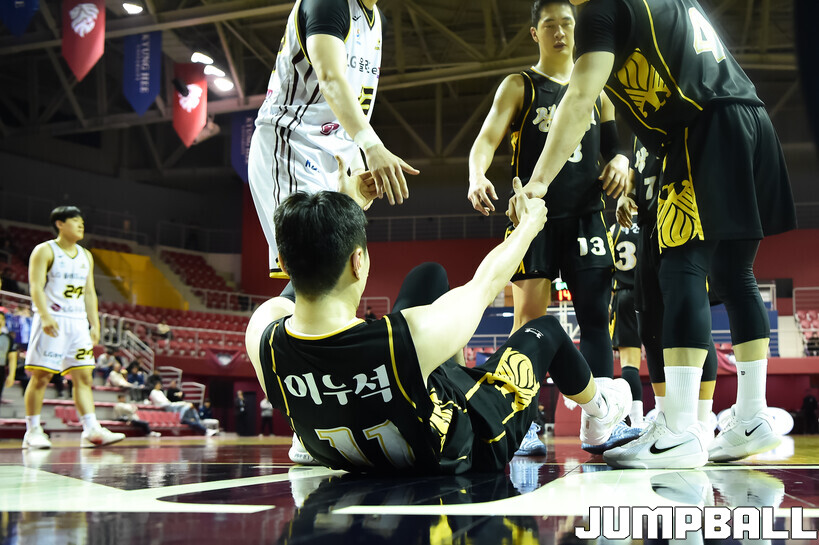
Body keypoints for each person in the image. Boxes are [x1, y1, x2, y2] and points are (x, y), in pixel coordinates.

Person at [510, 0, 797, 468]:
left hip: (700, 128)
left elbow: (579, 101)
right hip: (750, 117)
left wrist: (538, 182)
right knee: (733, 273)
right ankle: (751, 416)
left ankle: (678, 429)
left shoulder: (601, 10)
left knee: (681, 268)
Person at [244, 189, 633, 473]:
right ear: (358, 261)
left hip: (358, 437)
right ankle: (600, 412)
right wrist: (529, 227)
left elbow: (295, 281)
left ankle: (306, 442)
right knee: (544, 328)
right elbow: (486, 282)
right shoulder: (412, 337)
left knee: (427, 276)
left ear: (284, 264)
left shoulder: (262, 337)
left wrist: (337, 213)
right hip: (467, 445)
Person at [467, 0, 635, 455]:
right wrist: (477, 174)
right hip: (534, 218)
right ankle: (522, 423)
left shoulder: (598, 89)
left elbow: (617, 149)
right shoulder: (519, 85)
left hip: (587, 216)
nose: (560, 32)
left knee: (596, 320)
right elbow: (485, 139)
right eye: (549, 25)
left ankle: (599, 423)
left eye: (567, 23)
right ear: (534, 33)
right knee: (528, 322)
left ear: (578, 28)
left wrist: (622, 162)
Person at [248, 0, 418, 280]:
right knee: (313, 269)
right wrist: (372, 146)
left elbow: (353, 100)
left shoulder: (378, 21)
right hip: (292, 143)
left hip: (335, 153)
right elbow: (329, 78)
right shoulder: (328, 2)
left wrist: (356, 162)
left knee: (344, 270)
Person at [612, 138, 720, 438]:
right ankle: (665, 418)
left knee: (691, 322)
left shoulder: (684, 118)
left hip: (682, 218)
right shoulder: (638, 133)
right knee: (650, 329)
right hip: (648, 227)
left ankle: (702, 420)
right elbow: (635, 171)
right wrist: (626, 195)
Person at [21, 206, 125, 449]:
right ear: (60, 223)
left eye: (82, 222)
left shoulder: (85, 255)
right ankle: (32, 431)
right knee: (42, 376)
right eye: (75, 221)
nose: (81, 225)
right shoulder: (45, 250)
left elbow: (89, 292)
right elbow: (35, 286)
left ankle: (91, 430)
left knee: (84, 376)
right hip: (53, 319)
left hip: (78, 323)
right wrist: (44, 315)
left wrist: (94, 323)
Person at [148, 382, 214, 436]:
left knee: (188, 408)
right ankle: (206, 431)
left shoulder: (161, 392)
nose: (159, 386)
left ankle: (206, 430)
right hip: (165, 405)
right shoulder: (153, 392)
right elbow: (160, 401)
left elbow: (166, 399)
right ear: (155, 385)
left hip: (169, 404)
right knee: (185, 405)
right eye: (158, 385)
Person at [0, 311, 18, 416]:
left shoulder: (8, 338)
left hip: (1, 369)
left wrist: (12, 375)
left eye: (2, 319)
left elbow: (12, 358)